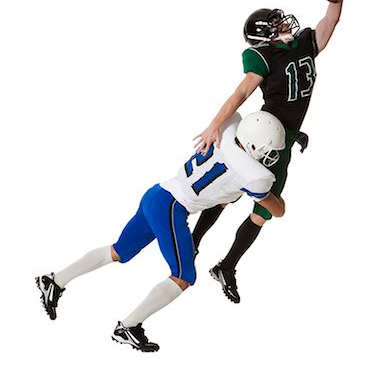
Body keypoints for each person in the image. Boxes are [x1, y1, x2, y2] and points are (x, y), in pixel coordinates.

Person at [36, 110, 286, 352]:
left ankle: (54, 280)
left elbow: (231, 113)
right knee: (183, 276)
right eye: (270, 151)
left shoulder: (228, 126)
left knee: (118, 251)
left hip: (158, 193)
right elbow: (278, 210)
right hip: (172, 207)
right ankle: (128, 326)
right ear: (254, 146)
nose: (272, 156)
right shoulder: (254, 176)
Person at [192, 0, 345, 304]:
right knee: (231, 192)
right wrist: (215, 125)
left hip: (283, 140)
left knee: (263, 211)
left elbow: (331, 19)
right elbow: (242, 93)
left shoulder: (305, 43)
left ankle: (226, 266)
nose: (283, 24)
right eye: (275, 24)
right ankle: (195, 242)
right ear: (264, 36)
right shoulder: (263, 57)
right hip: (260, 135)